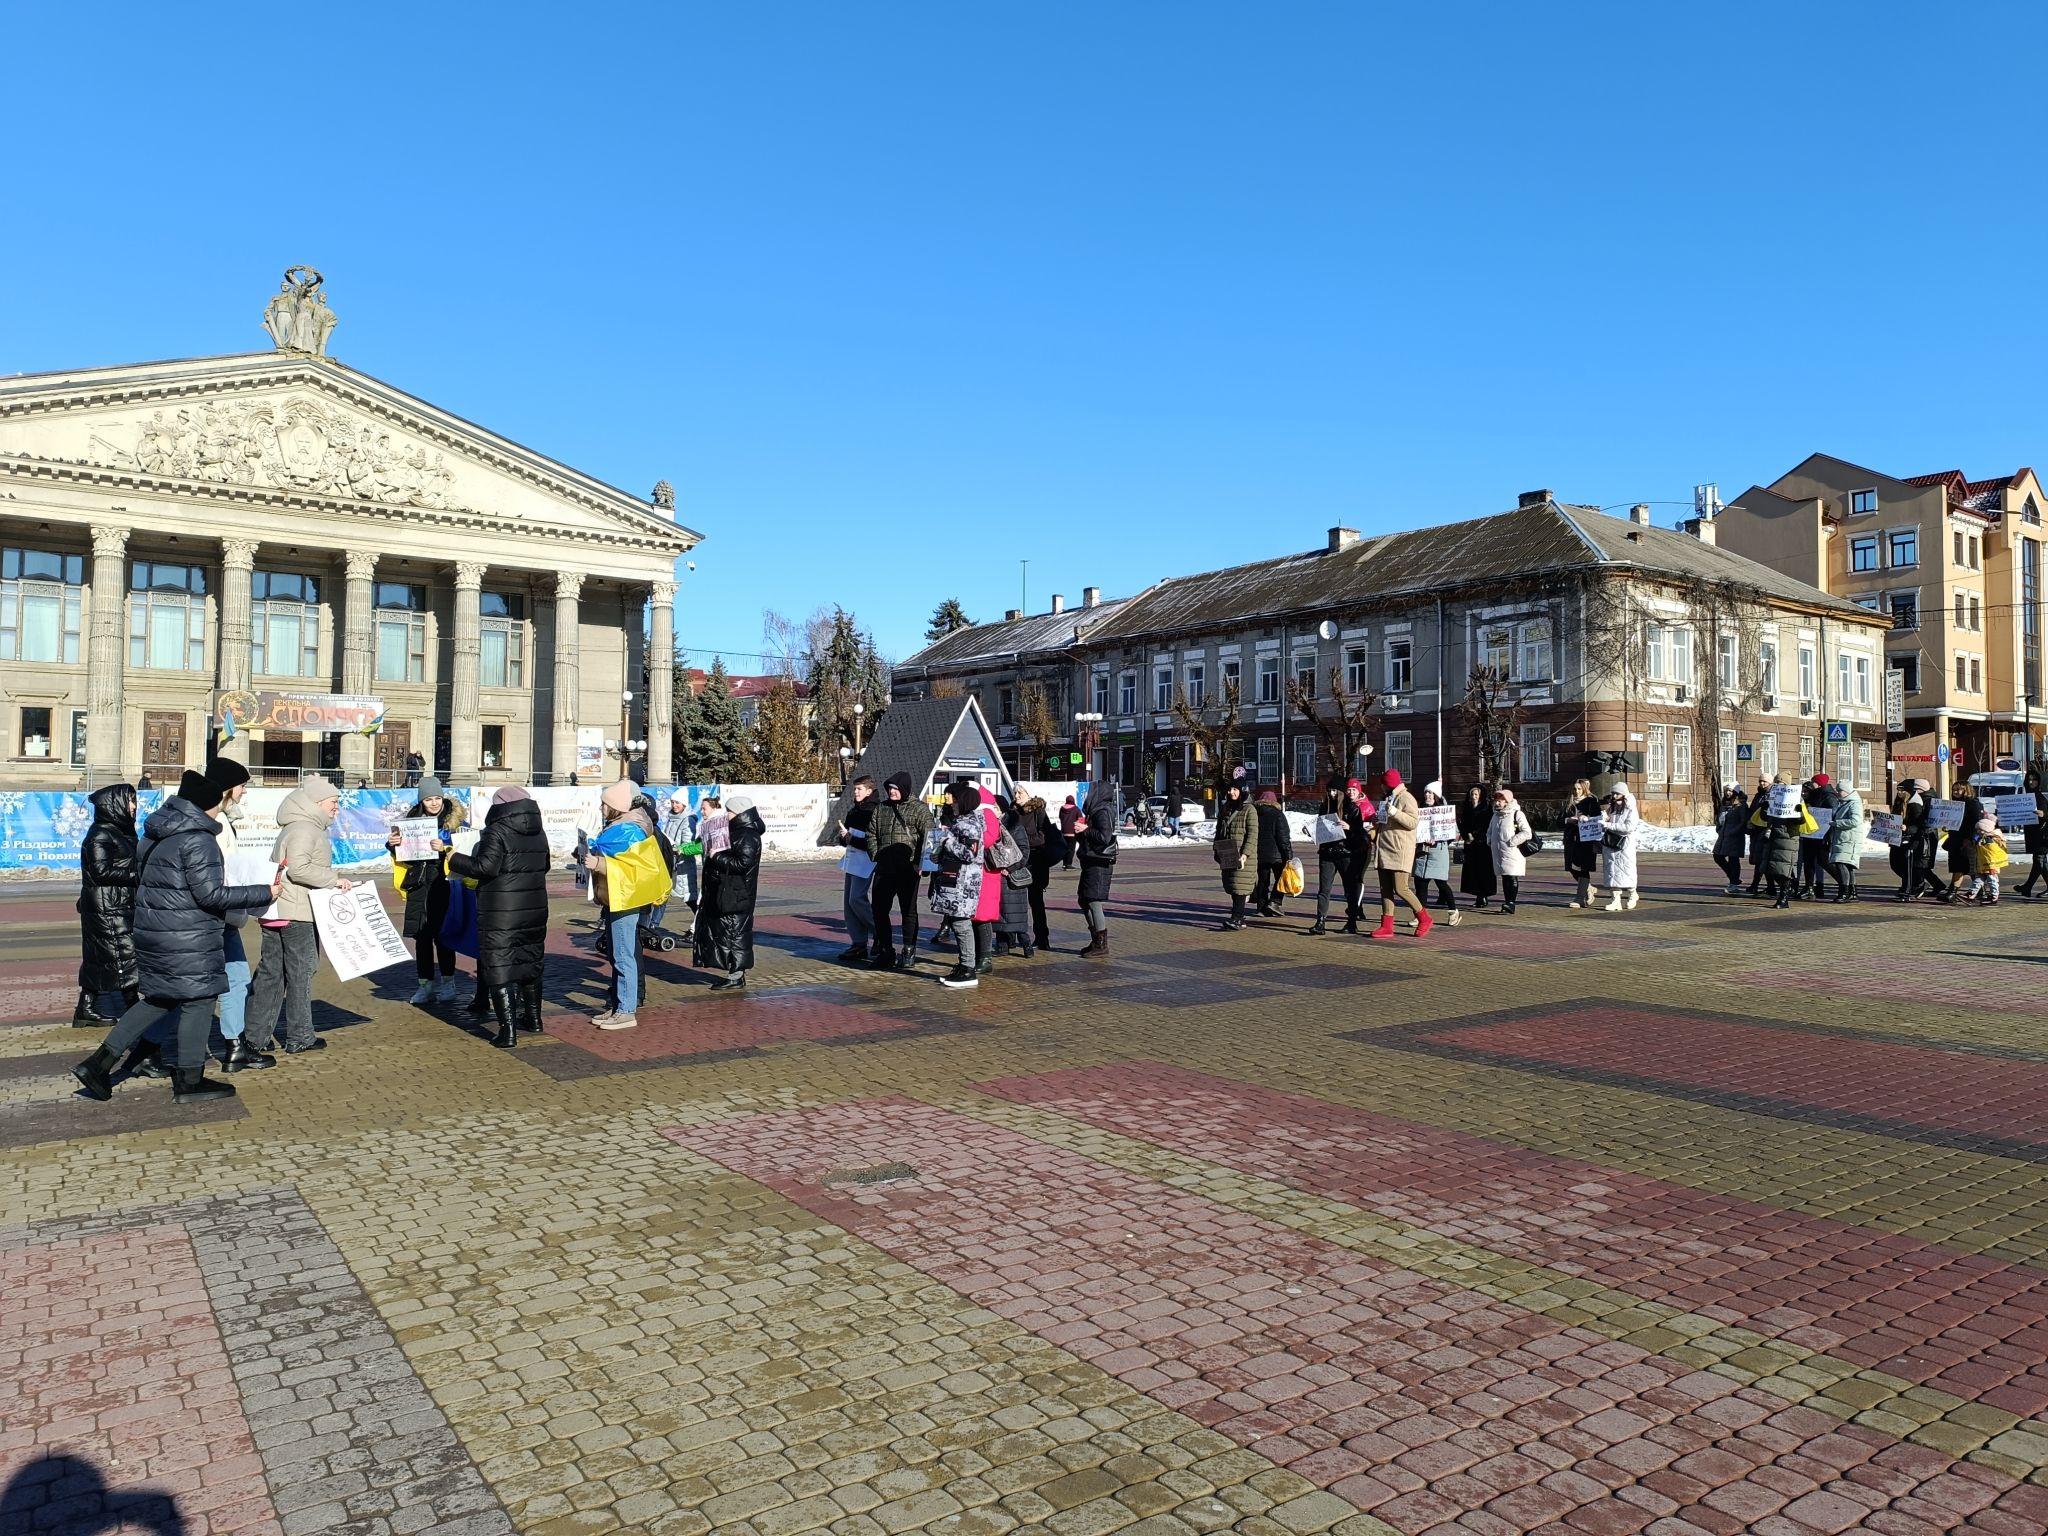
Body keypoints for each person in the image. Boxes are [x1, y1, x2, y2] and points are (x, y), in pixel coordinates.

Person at [71, 770, 282, 1105]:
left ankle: (97, 1064)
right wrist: (264, 892)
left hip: (155, 930)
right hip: (188, 934)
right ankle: (189, 1080)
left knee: (159, 999)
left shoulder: (155, 832)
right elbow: (210, 895)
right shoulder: (198, 839)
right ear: (209, 805)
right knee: (199, 1000)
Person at [245, 775, 351, 1057]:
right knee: (301, 973)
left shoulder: (294, 826)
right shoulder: (306, 829)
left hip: (279, 910)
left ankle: (256, 1037)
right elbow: (299, 870)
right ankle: (300, 1036)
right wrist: (334, 880)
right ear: (317, 803)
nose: (336, 808)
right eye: (333, 802)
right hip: (297, 912)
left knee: (271, 974)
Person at [447, 785, 550, 1048]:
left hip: (501, 911)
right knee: (530, 962)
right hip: (535, 907)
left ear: (499, 806)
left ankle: (508, 1031)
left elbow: (485, 867)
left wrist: (453, 857)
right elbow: (546, 864)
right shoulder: (538, 830)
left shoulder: (496, 830)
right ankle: (534, 1019)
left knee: (500, 967)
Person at [207, 757, 271, 1074]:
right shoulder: (215, 827)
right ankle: (147, 1048)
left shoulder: (224, 822)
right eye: (242, 786)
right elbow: (220, 877)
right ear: (228, 788)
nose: (244, 793)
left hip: (227, 917)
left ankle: (235, 1046)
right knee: (194, 992)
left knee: (238, 980)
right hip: (214, 918)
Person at [585, 780, 664, 1026]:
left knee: (623, 954)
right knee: (617, 953)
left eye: (604, 804)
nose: (601, 808)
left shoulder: (630, 830)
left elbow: (634, 869)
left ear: (616, 806)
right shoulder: (622, 826)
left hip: (625, 898)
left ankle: (626, 1011)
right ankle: (619, 1004)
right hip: (615, 896)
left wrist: (599, 864)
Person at [385, 775, 466, 1006]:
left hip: (445, 884)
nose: (433, 803)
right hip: (419, 884)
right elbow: (402, 856)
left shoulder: (454, 823)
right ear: (422, 801)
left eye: (437, 798)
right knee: (422, 936)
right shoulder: (410, 822)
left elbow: (465, 850)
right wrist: (392, 845)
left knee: (444, 936)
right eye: (429, 799)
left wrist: (446, 847)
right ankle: (425, 985)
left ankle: (448, 983)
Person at [74, 783, 141, 1027]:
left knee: (103, 957)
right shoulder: (100, 834)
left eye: (134, 801)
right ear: (114, 805)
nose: (133, 806)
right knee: (124, 955)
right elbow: (100, 872)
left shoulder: (120, 831)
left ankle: (86, 1008)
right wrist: (137, 875)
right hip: (107, 907)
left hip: (116, 904)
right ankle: (134, 1009)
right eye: (129, 801)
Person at [695, 794, 763, 992]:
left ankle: (736, 976)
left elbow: (743, 863)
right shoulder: (737, 831)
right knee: (729, 931)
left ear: (740, 812)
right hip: (729, 890)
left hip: (737, 892)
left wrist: (716, 856)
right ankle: (734, 973)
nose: (727, 814)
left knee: (736, 933)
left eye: (730, 811)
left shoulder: (747, 835)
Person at [867, 773, 932, 970]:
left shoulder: (919, 809)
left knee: (908, 911)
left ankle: (909, 949)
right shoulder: (881, 808)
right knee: (879, 909)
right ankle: (886, 950)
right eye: (889, 788)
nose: (891, 792)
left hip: (908, 869)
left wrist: (923, 864)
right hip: (884, 868)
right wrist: (876, 854)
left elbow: (930, 837)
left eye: (895, 788)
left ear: (904, 788)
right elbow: (871, 833)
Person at [931, 783, 992, 987]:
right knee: (958, 922)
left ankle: (968, 969)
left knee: (961, 923)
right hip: (956, 880)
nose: (953, 804)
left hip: (963, 883)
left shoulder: (970, 826)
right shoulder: (962, 823)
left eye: (956, 800)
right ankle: (964, 965)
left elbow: (969, 854)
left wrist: (947, 841)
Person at [1366, 769, 1430, 938]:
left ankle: (1424, 918)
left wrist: (1395, 812)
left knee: (1401, 888)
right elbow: (1385, 822)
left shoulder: (1406, 798)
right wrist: (1375, 823)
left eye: (1382, 784)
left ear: (1388, 784)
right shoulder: (1388, 798)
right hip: (1384, 849)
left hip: (1399, 850)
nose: (1381, 787)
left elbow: (1413, 822)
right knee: (1385, 889)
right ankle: (1386, 926)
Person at [1751, 772, 1812, 908]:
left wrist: (1798, 813)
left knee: (1783, 870)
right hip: (1772, 836)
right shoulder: (1772, 796)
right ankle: (1784, 891)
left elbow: (1802, 820)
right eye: (1776, 782)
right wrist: (1764, 810)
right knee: (1769, 868)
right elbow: (1766, 818)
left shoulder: (1796, 798)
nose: (1778, 785)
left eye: (1781, 783)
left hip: (1787, 839)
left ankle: (1783, 898)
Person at [836, 775, 878, 965]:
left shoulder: (874, 811)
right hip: (852, 858)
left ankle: (879, 932)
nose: (856, 792)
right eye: (855, 789)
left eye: (859, 789)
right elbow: (848, 837)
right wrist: (843, 837)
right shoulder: (855, 809)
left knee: (856, 898)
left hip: (865, 861)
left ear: (869, 791)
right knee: (848, 903)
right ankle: (858, 943)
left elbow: (872, 843)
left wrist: (851, 839)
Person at [1076, 778, 1118, 956]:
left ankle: (1101, 944)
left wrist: (1085, 830)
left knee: (1093, 900)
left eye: (1092, 790)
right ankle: (1095, 939)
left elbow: (1104, 837)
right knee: (1084, 899)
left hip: (1099, 863)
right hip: (1091, 860)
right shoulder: (1096, 810)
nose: (1088, 794)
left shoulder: (1102, 811)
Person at [1309, 782, 1354, 936]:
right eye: (1329, 791)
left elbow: (1360, 833)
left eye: (1334, 790)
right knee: (1324, 889)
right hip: (1327, 853)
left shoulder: (1350, 808)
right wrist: (1311, 831)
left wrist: (1350, 828)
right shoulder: (1324, 807)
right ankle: (1320, 921)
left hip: (1345, 853)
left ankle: (1352, 921)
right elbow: (1320, 828)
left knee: (1349, 889)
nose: (1331, 794)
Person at [1411, 782, 1459, 925]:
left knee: (1441, 883)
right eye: (1426, 792)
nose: (1427, 795)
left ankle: (1453, 911)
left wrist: (1437, 840)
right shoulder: (1419, 810)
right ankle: (1420, 915)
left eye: (1431, 793)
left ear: (1436, 795)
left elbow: (1453, 833)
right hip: (1421, 851)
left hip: (1437, 852)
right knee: (1420, 884)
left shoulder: (1444, 812)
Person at [993, 795, 1036, 957]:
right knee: (1000, 914)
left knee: (1015, 916)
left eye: (996, 808)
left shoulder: (1015, 826)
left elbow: (1024, 851)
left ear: (1003, 810)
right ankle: (1002, 946)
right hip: (997, 876)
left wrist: (1010, 868)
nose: (993, 811)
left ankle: (1026, 944)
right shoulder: (992, 826)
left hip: (1013, 879)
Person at [1213, 780, 1257, 930]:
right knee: (1232, 886)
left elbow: (1252, 834)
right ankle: (1240, 916)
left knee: (1240, 887)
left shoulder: (1249, 809)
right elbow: (1219, 831)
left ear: (1243, 791)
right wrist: (1216, 849)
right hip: (1227, 851)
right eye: (1230, 789)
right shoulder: (1225, 808)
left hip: (1242, 856)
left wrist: (1245, 854)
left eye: (1235, 789)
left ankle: (1237, 918)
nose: (1231, 792)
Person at [1019, 791, 1060, 952]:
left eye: (1020, 792)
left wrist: (1022, 841)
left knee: (1036, 901)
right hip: (1018, 862)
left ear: (1028, 795)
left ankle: (1042, 937)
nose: (1016, 795)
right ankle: (1013, 936)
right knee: (1016, 901)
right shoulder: (1013, 812)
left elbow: (1044, 836)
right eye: (1015, 792)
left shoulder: (1038, 811)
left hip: (1036, 862)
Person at [1486, 786, 1534, 913]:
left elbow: (1527, 832)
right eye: (1496, 800)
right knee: (1505, 877)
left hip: (1513, 852)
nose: (1497, 802)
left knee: (1511, 877)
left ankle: (1511, 903)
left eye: (1500, 800)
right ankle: (1507, 901)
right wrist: (1489, 840)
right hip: (1498, 852)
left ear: (1507, 801)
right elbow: (1489, 831)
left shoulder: (1517, 814)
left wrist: (1512, 842)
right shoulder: (1495, 815)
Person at [1599, 783, 1641, 912]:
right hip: (1610, 843)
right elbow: (1605, 824)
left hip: (1624, 845)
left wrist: (1609, 825)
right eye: (1613, 794)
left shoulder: (1630, 809)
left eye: (1617, 794)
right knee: (1612, 871)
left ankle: (1633, 894)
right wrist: (1603, 819)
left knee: (1626, 870)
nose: (1614, 796)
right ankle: (1615, 900)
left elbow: (1629, 827)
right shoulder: (1611, 808)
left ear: (1624, 795)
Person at [1251, 789, 1293, 916]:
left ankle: (1261, 908)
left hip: (1259, 855)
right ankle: (1274, 901)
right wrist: (1288, 855)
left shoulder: (1255, 815)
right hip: (1277, 855)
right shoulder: (1278, 815)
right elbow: (1283, 837)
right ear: (1274, 802)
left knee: (1263, 881)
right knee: (1282, 879)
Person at [1562, 778, 1602, 909]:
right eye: (1574, 789)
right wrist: (1569, 820)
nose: (1576, 791)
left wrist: (1586, 819)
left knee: (1583, 868)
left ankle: (1580, 898)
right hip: (1571, 840)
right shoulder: (1569, 802)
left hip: (1586, 841)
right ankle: (1588, 888)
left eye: (1579, 789)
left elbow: (1598, 819)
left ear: (1584, 789)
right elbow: (1558, 821)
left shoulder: (1591, 801)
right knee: (1572, 868)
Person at [1824, 776, 1866, 901]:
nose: (1837, 793)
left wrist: (1837, 823)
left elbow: (1855, 820)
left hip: (1849, 839)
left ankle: (1844, 892)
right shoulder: (1844, 803)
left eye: (1840, 790)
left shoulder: (1854, 803)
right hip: (1843, 839)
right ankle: (1852, 892)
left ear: (1847, 791)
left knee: (1842, 864)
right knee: (1847, 866)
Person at [1799, 773, 1839, 899]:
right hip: (1810, 833)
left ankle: (1845, 883)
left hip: (1823, 834)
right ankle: (1809, 887)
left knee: (1823, 861)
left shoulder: (1829, 796)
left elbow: (1832, 814)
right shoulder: (1813, 794)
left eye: (1814, 782)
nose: (1812, 784)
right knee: (1808, 861)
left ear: (1820, 783)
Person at [1457, 784, 1496, 910]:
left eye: (1476, 795)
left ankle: (1483, 895)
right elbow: (1462, 824)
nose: (1473, 797)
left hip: (1483, 844)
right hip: (1470, 844)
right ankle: (1476, 894)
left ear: (1480, 796)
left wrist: (1475, 834)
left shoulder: (1486, 808)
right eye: (1472, 795)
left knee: (1483, 871)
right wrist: (1465, 835)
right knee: (1472, 871)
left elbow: (1487, 825)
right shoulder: (1467, 808)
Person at [660, 793, 701, 909]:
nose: (674, 805)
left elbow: (688, 843)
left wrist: (676, 849)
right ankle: (652, 924)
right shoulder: (671, 818)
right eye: (672, 802)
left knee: (689, 897)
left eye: (677, 802)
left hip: (683, 864)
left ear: (684, 804)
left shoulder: (688, 820)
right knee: (664, 895)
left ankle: (700, 923)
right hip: (672, 862)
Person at [1711, 786, 1749, 894]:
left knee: (1733, 859)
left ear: (1735, 792)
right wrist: (1719, 829)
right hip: (1723, 836)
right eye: (1726, 790)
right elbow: (1719, 820)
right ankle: (1734, 878)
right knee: (1717, 856)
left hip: (1735, 836)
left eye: (1730, 791)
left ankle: (1733, 884)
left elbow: (1743, 821)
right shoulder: (1724, 804)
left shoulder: (1741, 805)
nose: (1728, 793)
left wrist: (1734, 831)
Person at [2017, 770, 2048, 899]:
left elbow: (2045, 813)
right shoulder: (2027, 796)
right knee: (2041, 863)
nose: (2031, 782)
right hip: (2034, 835)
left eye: (2034, 779)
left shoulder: (2039, 797)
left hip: (2042, 836)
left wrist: (2043, 814)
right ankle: (2027, 887)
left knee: (2039, 862)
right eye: (2029, 779)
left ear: (2038, 781)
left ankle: (2027, 887)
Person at [1974, 813, 2009, 904]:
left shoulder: (1990, 840)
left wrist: (1991, 864)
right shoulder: (1984, 838)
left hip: (1991, 864)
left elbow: (1991, 853)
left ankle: (1994, 895)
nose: (1977, 832)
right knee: (1980, 877)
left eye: (1979, 830)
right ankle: (1972, 893)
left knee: (1992, 879)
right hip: (1985, 863)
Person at [1745, 779, 1772, 895]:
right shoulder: (1758, 795)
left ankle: (1758, 884)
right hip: (1755, 829)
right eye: (1761, 781)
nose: (1762, 783)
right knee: (1758, 858)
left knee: (1762, 859)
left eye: (1765, 781)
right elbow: (1752, 810)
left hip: (1765, 829)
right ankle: (1766, 886)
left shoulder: (1772, 795)